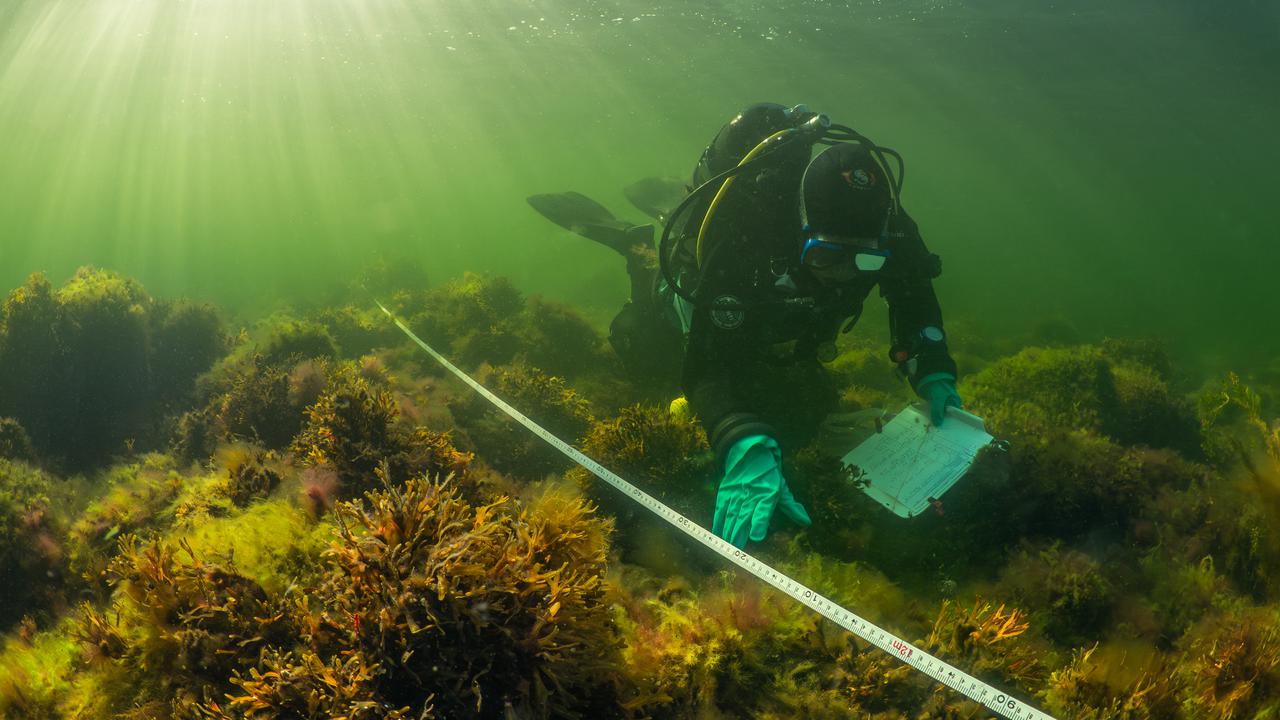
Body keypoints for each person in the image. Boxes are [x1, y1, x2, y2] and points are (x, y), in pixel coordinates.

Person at [528, 103, 961, 549]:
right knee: (644, 351)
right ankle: (635, 245)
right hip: (719, 291)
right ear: (800, 231)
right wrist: (740, 438)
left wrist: (932, 367)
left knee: (800, 407)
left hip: (781, 319)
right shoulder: (747, 231)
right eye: (827, 257)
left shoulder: (887, 226)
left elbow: (914, 294)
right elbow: (707, 365)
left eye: (864, 261)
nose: (845, 275)